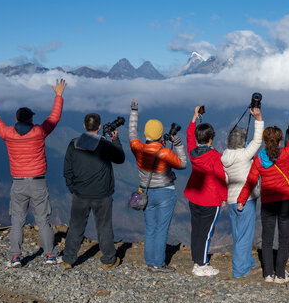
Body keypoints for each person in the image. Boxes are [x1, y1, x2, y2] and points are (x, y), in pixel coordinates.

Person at [0, 80, 66, 267]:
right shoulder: (39, 132)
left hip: (18, 182)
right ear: (31, 119)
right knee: (43, 220)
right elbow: (54, 118)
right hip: (38, 182)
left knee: (17, 220)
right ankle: (50, 255)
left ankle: (15, 257)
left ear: (16, 119)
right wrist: (58, 96)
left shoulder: (8, 133)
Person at [238, 104, 289, 284]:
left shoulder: (259, 159)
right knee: (284, 239)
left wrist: (241, 200)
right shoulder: (287, 154)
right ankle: (280, 274)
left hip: (268, 203)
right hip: (285, 202)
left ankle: (268, 273)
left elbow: (250, 181)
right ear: (280, 140)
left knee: (266, 239)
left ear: (265, 141)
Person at [128, 99, 187, 272]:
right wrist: (179, 145)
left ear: (145, 133)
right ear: (161, 134)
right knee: (162, 228)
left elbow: (132, 132)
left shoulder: (137, 147)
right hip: (165, 193)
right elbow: (182, 164)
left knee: (150, 227)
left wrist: (134, 111)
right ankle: (158, 263)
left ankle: (149, 261)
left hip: (146, 193)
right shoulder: (165, 152)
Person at [62, 113, 125, 270]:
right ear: (99, 127)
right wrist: (115, 140)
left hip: (80, 194)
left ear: (84, 126)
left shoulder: (73, 144)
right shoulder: (104, 146)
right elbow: (120, 158)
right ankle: (109, 260)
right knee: (104, 227)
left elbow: (67, 170)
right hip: (102, 194)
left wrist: (72, 188)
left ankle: (68, 259)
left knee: (76, 226)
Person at [184, 106, 228, 277]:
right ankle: (201, 265)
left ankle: (197, 259)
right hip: (210, 200)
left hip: (193, 197)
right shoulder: (215, 157)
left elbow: (189, 136)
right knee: (207, 232)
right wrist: (224, 198)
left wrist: (193, 118)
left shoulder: (193, 153)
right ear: (211, 139)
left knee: (197, 230)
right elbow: (220, 179)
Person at [221, 107, 264, 278]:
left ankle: (247, 261)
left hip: (231, 199)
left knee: (239, 233)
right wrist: (258, 119)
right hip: (245, 199)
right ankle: (240, 270)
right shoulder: (245, 155)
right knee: (245, 235)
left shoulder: (225, 156)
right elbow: (257, 140)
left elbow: (224, 179)